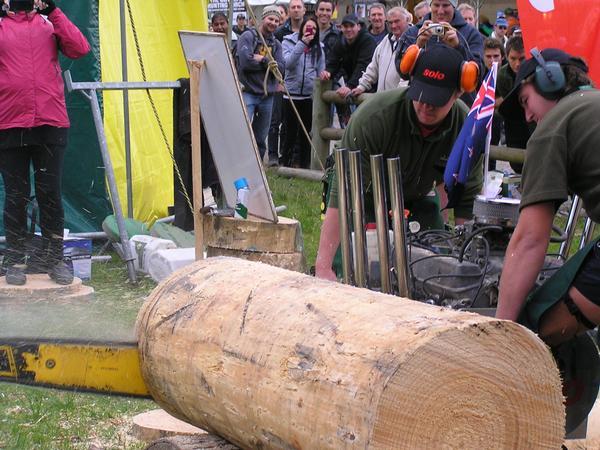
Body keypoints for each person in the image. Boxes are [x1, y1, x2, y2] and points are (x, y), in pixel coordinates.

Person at [315, 44, 482, 280]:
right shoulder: (374, 118)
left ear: (458, 93)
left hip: (420, 195)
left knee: (432, 269)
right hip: (364, 193)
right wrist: (324, 267)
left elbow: (466, 200)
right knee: (357, 270)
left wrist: (470, 268)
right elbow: (343, 193)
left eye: (437, 100)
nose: (426, 105)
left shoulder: (466, 129)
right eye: (421, 95)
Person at [495, 48, 599, 346]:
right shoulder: (593, 103)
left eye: (526, 101)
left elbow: (530, 239)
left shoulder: (553, 127)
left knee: (539, 329)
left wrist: (499, 332)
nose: (528, 116)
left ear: (548, 79)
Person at [0, 0, 90, 286]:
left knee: (50, 193)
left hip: (50, 122)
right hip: (9, 123)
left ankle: (54, 259)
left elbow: (80, 48)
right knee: (16, 194)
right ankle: (14, 259)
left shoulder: (50, 21)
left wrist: (53, 10)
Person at [396, 0, 483, 104]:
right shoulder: (413, 32)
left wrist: (458, 47)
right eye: (436, 5)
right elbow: (402, 71)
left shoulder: (470, 33)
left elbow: (478, 75)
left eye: (446, 5)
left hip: (458, 104)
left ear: (454, 6)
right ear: (430, 5)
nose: (440, 11)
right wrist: (417, 45)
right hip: (421, 103)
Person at [236, 6, 285, 161]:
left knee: (261, 136)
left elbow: (281, 68)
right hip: (248, 92)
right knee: (242, 130)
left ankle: (257, 166)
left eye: (276, 21)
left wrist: (262, 59)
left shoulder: (276, 43)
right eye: (270, 19)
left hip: (267, 96)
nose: (273, 23)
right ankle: (238, 163)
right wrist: (268, 63)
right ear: (263, 18)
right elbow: (245, 62)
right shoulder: (248, 36)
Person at [280, 17, 325, 168]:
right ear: (301, 28)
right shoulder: (288, 41)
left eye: (313, 28)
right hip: (290, 95)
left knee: (306, 133)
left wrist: (324, 75)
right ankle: (285, 164)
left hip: (308, 96)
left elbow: (320, 70)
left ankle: (305, 165)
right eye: (307, 27)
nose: (309, 30)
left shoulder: (319, 48)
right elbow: (288, 63)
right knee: (289, 133)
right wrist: (302, 43)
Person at [352, 7, 411, 95]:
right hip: (382, 100)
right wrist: (362, 86)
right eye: (390, 22)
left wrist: (396, 98)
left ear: (407, 20)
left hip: (400, 101)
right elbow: (373, 67)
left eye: (397, 21)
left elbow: (407, 77)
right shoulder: (386, 40)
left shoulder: (414, 40)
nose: (393, 26)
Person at [497, 36, 534, 172]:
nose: (517, 64)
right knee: (516, 164)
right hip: (513, 123)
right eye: (513, 59)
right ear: (506, 56)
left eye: (521, 59)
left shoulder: (534, 72)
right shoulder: (502, 75)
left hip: (533, 122)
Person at [319, 13, 377, 99]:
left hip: (371, 86)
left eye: (352, 26)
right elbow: (333, 61)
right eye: (345, 26)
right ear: (341, 28)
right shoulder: (340, 40)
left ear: (358, 27)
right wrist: (328, 72)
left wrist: (350, 85)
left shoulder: (368, 41)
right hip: (354, 87)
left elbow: (363, 65)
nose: (348, 29)